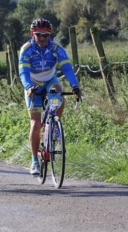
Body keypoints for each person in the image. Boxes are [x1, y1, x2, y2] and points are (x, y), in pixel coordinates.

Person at [18, 18, 82, 176]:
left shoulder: (56, 47)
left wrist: (75, 86)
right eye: (38, 35)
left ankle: (53, 125)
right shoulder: (26, 49)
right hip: (32, 84)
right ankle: (34, 161)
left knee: (57, 90)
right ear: (32, 34)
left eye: (45, 35)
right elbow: (23, 73)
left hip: (49, 81)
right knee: (35, 123)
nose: (42, 39)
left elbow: (67, 68)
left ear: (49, 36)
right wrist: (28, 87)